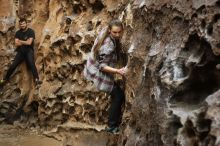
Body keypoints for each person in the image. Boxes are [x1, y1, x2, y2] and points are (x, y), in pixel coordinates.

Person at [83, 19, 127, 133]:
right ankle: (111, 126)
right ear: (109, 30)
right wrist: (118, 71)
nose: (117, 35)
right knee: (118, 95)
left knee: (116, 93)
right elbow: (102, 66)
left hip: (92, 65)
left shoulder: (105, 32)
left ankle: (111, 124)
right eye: (114, 32)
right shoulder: (108, 44)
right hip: (98, 71)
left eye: (119, 32)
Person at [0, 18, 41, 86]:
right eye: (21, 24)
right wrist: (25, 42)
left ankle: (36, 79)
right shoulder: (18, 33)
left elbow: (29, 43)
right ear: (20, 25)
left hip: (29, 51)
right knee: (13, 65)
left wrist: (21, 41)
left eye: (23, 23)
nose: (22, 25)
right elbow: (16, 44)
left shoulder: (31, 31)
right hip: (21, 51)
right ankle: (5, 79)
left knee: (31, 63)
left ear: (26, 23)